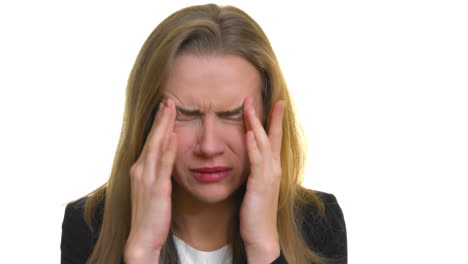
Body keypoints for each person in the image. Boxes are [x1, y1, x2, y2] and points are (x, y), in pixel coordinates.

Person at [60, 4, 347, 264]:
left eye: (233, 114)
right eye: (185, 114)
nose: (209, 146)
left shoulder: (318, 222)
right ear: (147, 119)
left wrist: (263, 248)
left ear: (269, 116)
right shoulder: (88, 224)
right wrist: (142, 251)